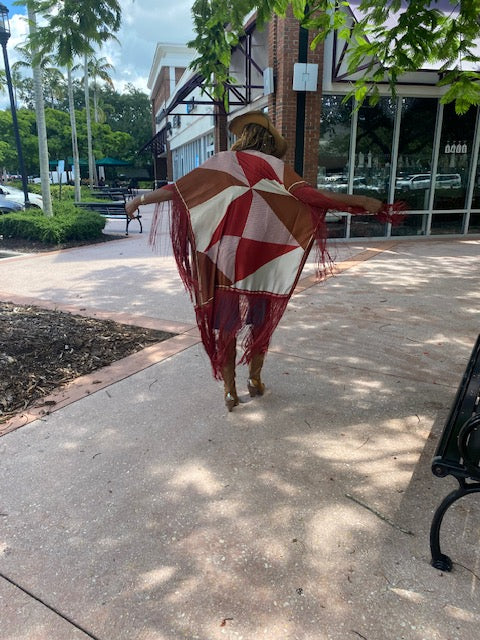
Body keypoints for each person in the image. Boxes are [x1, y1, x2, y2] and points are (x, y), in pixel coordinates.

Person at [125, 111, 390, 412]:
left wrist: (140, 200)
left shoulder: (221, 163)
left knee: (226, 326)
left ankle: (229, 391)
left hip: (225, 259)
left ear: (245, 136)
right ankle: (254, 379)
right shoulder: (275, 167)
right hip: (260, 261)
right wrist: (361, 202)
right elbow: (312, 197)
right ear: (268, 141)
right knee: (259, 321)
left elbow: (179, 190)